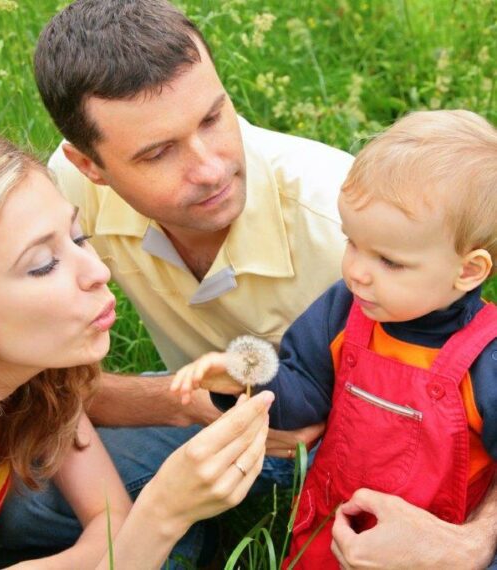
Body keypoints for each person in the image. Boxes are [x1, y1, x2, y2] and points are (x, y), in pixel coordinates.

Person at [33, 1, 497, 567]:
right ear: (91, 167)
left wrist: (473, 543)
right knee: (28, 504)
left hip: (374, 455)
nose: (209, 168)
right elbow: (297, 379)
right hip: (243, 411)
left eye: (211, 118)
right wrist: (202, 395)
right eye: (158, 152)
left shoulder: (356, 220)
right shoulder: (66, 190)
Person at [0, 133, 275, 569]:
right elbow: (121, 539)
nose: (99, 271)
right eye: (42, 265)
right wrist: (165, 510)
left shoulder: (38, 380)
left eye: (78, 237)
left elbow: (110, 520)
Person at [172, 110, 497, 568]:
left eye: (389, 261)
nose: (356, 271)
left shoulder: (486, 360)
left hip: (423, 550)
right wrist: (245, 379)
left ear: (468, 270)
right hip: (330, 530)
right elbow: (304, 396)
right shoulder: (343, 312)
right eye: (352, 242)